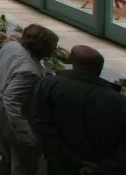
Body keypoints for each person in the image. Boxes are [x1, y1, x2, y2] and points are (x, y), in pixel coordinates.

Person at [31, 46, 126, 175]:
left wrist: (71, 159)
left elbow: (40, 125)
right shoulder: (117, 100)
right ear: (99, 68)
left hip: (60, 162)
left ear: (71, 62)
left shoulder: (48, 85)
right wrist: (102, 167)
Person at [0, 24, 59, 175]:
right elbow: (11, 100)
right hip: (12, 125)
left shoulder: (10, 47)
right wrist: (27, 137)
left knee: (0, 161)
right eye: (53, 46)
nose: (55, 49)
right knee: (21, 166)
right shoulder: (30, 71)